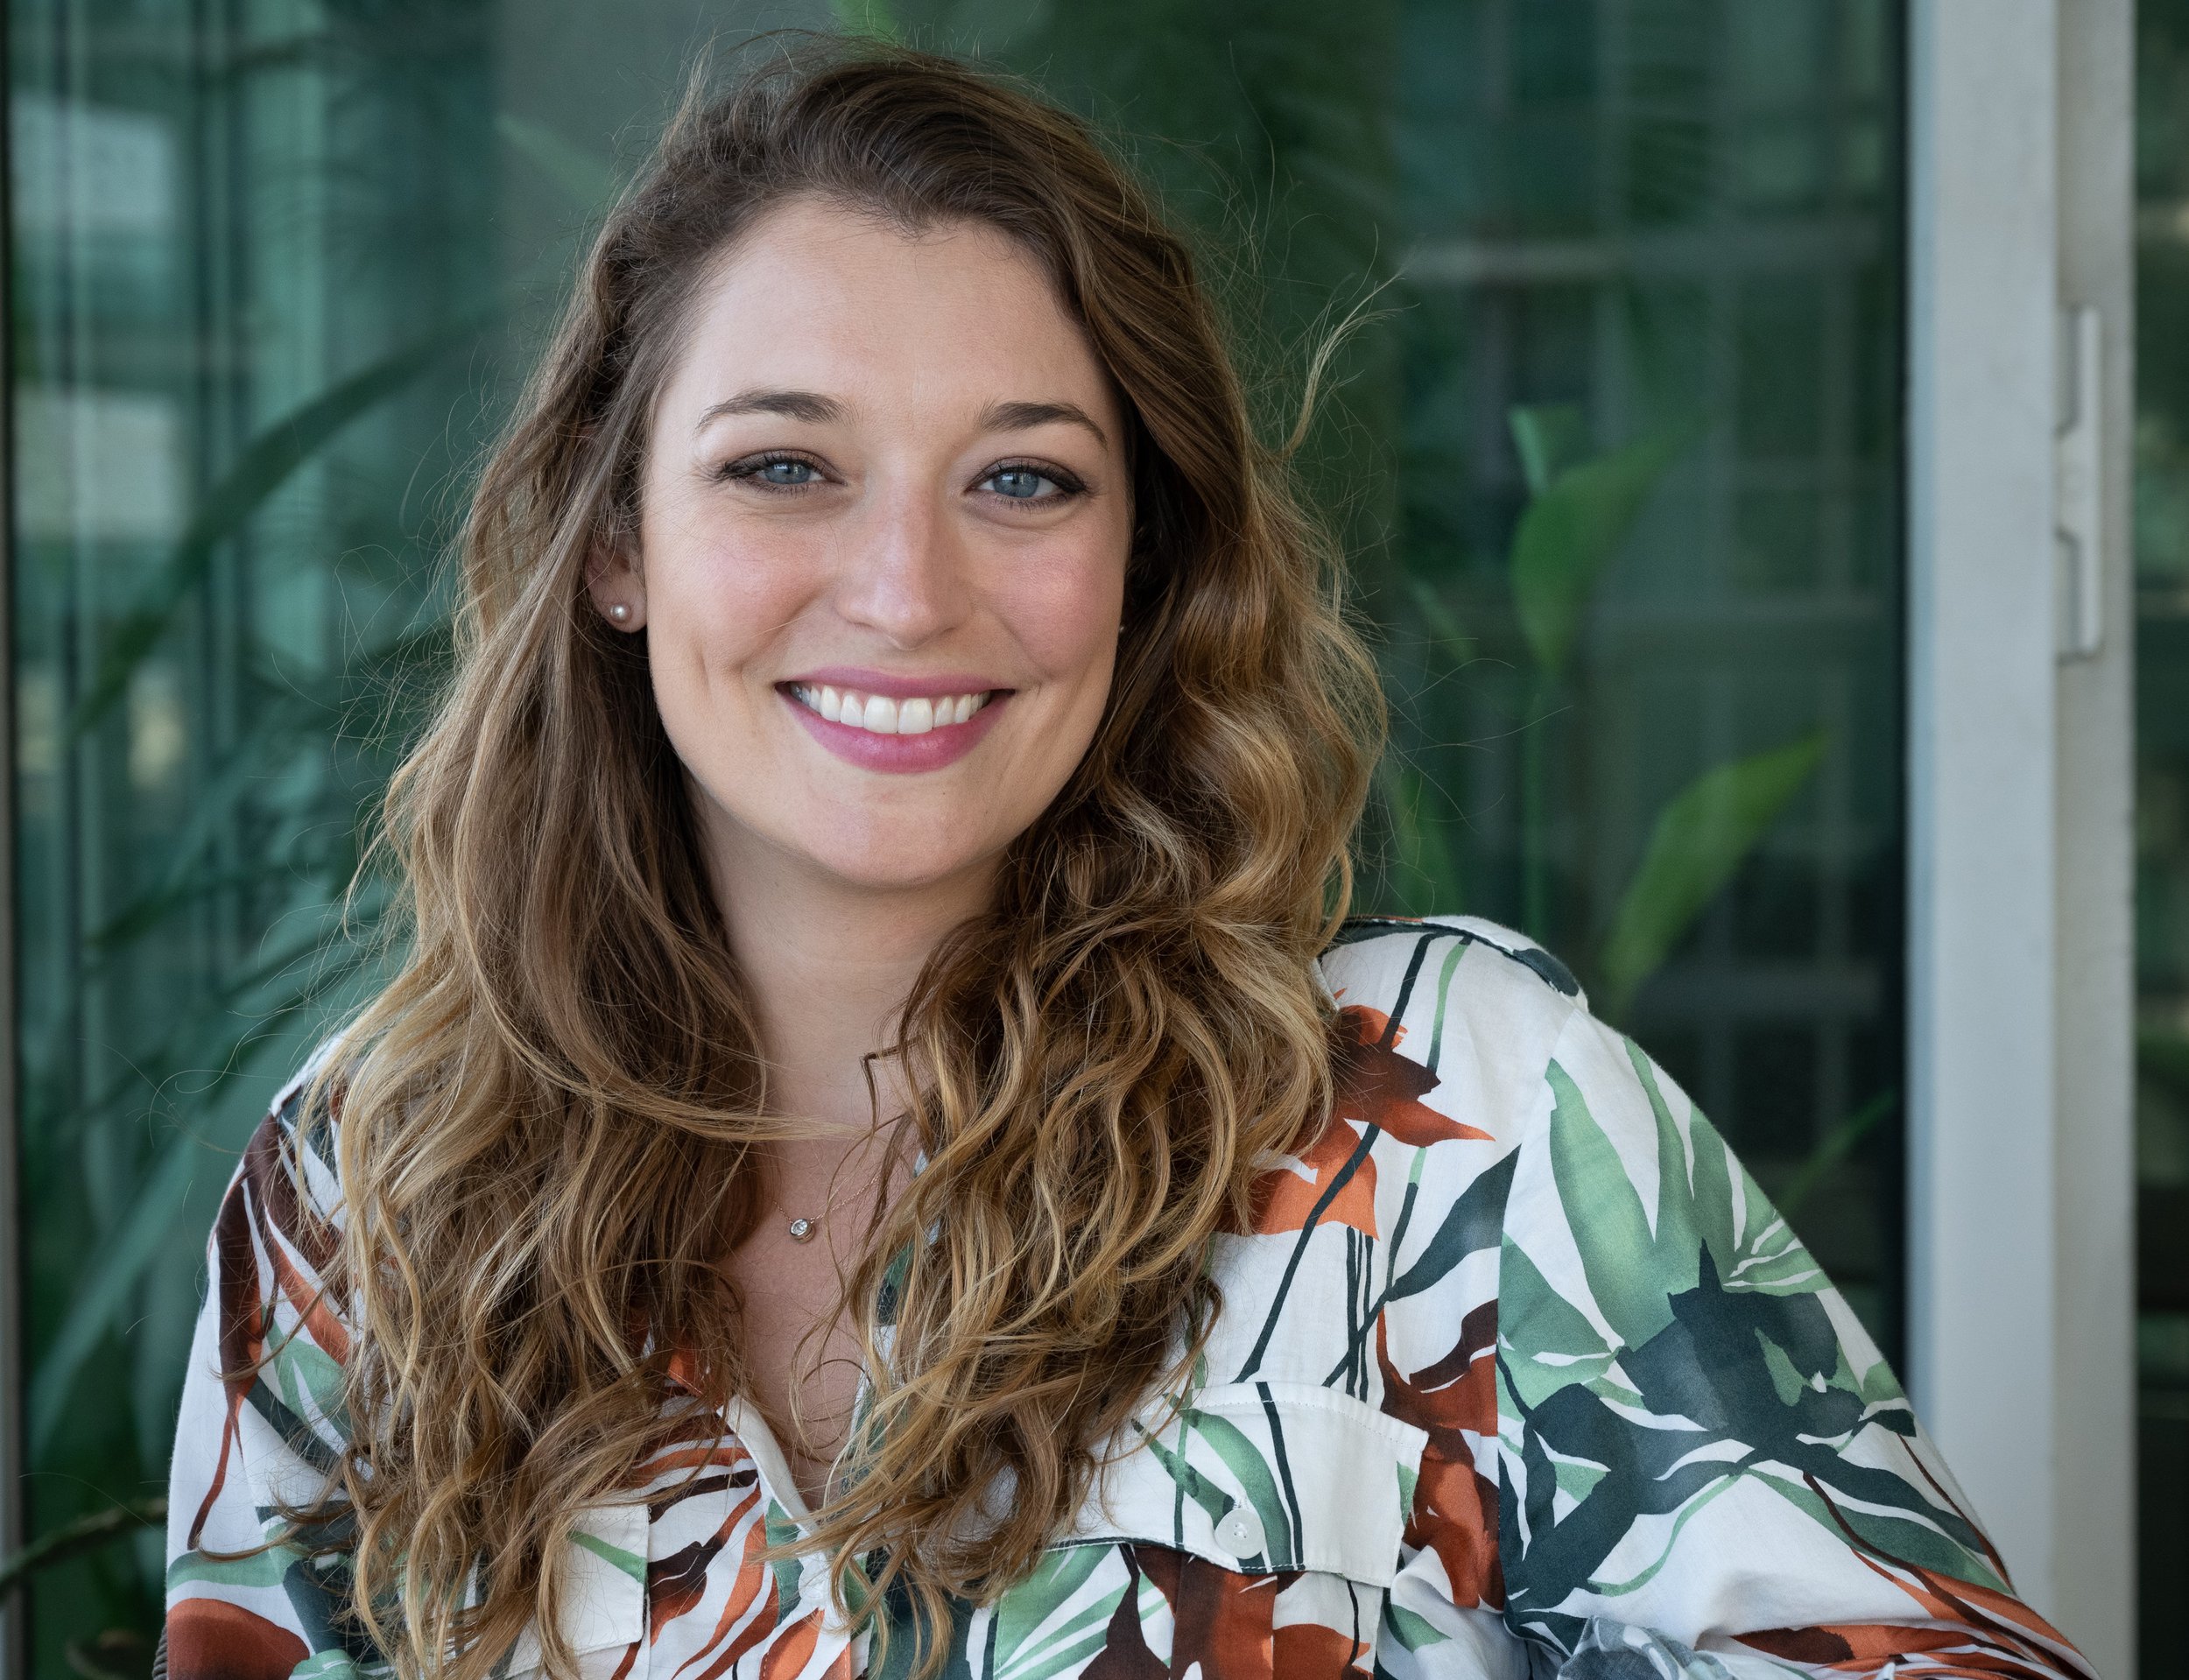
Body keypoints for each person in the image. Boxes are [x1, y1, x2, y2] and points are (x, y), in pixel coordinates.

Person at [163, 38, 2090, 1680]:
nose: (908, 590)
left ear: (1140, 565)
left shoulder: (1447, 1128)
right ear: (614, 546)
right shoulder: (367, 1194)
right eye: (782, 466)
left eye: (1022, 480)